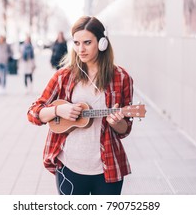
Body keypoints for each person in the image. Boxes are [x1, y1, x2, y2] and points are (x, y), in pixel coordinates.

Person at [27, 16, 134, 195]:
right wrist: (58, 110)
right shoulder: (64, 76)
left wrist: (116, 122)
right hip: (69, 167)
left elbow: (125, 129)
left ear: (102, 43)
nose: (80, 49)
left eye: (87, 42)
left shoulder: (121, 77)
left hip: (107, 167)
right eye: (76, 43)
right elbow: (33, 113)